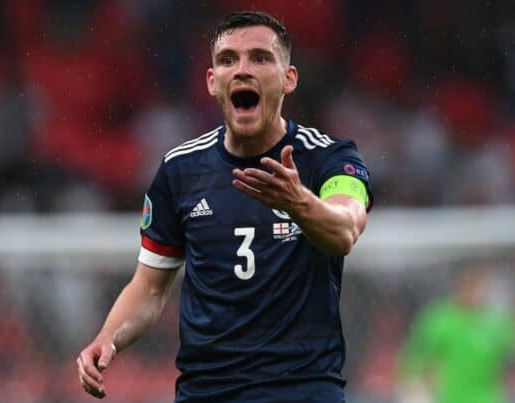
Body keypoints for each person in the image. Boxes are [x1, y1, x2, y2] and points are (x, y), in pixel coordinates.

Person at [76, 10, 372, 402]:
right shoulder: (179, 171)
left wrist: (299, 202)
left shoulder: (330, 159)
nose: (243, 70)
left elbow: (345, 230)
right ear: (213, 83)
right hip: (207, 392)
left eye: (260, 58)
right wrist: (107, 338)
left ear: (289, 79)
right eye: (228, 59)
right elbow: (149, 288)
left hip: (303, 391)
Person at [399, 265, 515, 403]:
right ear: (460, 286)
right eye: (473, 285)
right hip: (451, 399)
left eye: (482, 286)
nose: (478, 291)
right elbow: (415, 362)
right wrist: (416, 390)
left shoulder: (497, 322)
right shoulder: (440, 320)